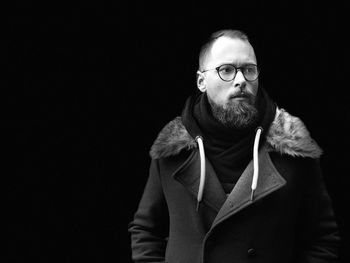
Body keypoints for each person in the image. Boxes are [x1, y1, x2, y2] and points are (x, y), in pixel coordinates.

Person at [128, 29, 340, 263]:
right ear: (201, 81)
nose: (241, 80)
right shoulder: (172, 152)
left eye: (249, 70)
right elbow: (146, 231)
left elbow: (322, 239)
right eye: (226, 70)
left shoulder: (294, 152)